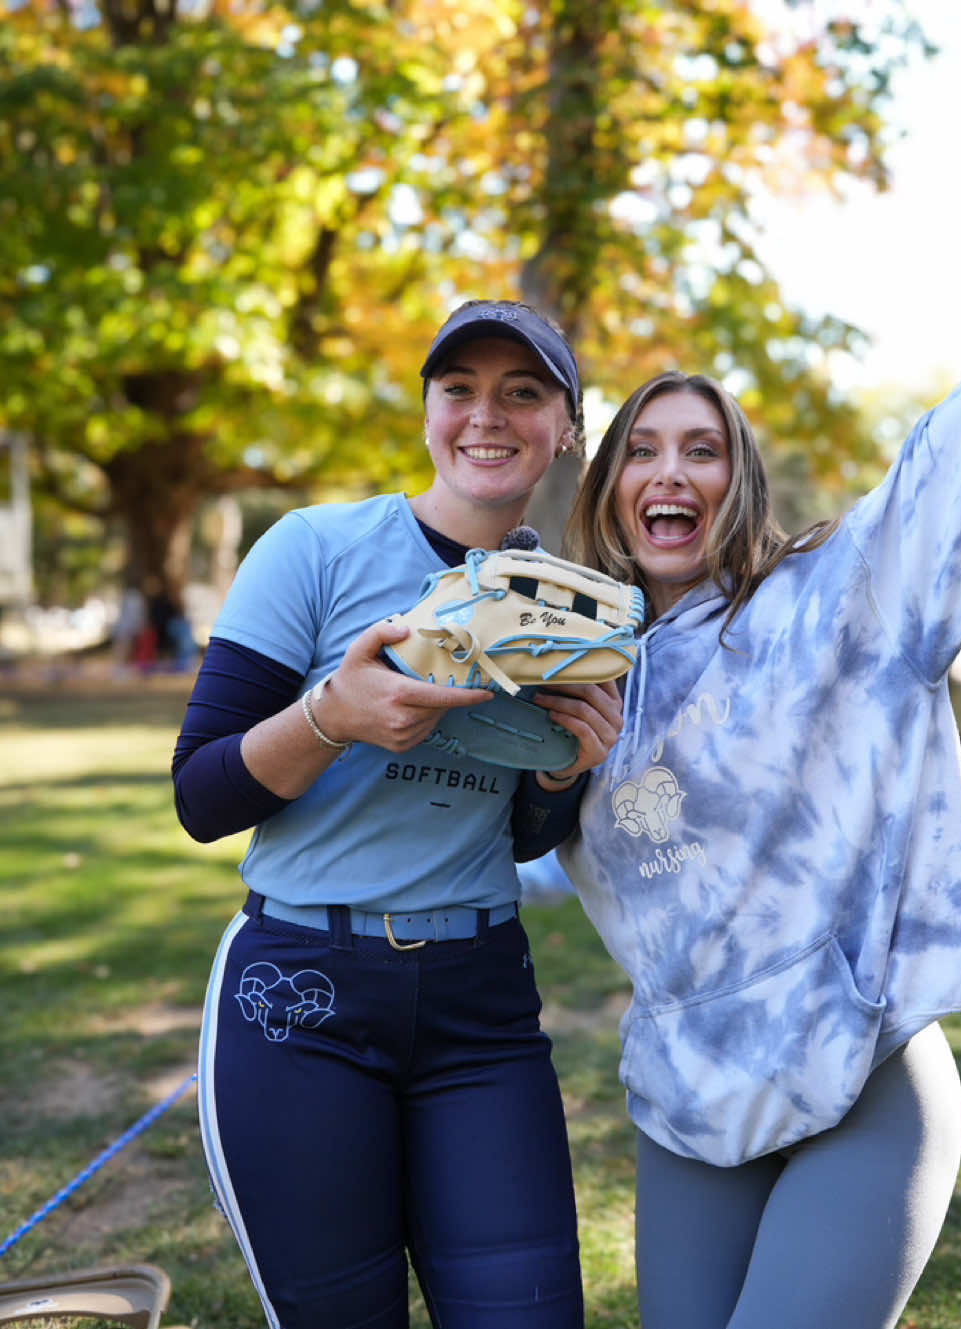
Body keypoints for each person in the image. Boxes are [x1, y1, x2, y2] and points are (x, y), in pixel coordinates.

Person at [557, 181, 961, 1329]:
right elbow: (498, 837)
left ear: (740, 483)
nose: (670, 473)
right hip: (688, 1107)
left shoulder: (845, 601)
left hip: (863, 1084)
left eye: (703, 450)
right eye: (641, 450)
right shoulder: (575, 670)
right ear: (610, 487)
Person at [172, 300, 624, 1329]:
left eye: (523, 393)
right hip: (302, 1000)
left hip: (480, 1006)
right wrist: (334, 714)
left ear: (566, 427)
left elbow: (516, 837)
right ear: (426, 411)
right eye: (458, 389)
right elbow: (201, 795)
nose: (486, 416)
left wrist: (564, 776)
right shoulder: (316, 549)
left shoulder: (568, 604)